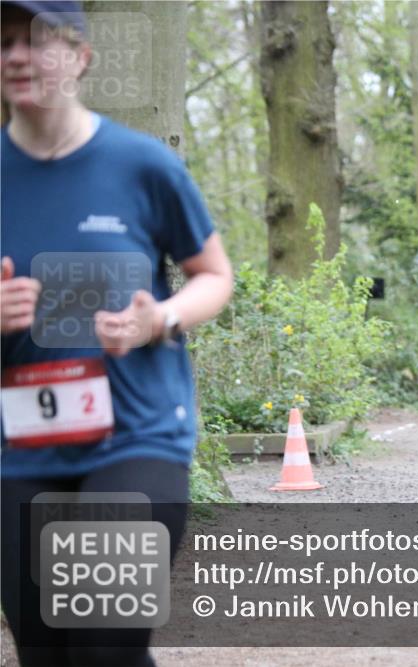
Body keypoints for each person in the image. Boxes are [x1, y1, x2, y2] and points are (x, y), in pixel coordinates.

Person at [1, 3, 234, 665]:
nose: (17, 56)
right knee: (47, 654)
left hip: (136, 435)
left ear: (81, 56)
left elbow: (213, 275)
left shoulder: (141, 165)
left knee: (103, 642)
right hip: (19, 450)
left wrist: (158, 317)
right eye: (4, 43)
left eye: (38, 40)